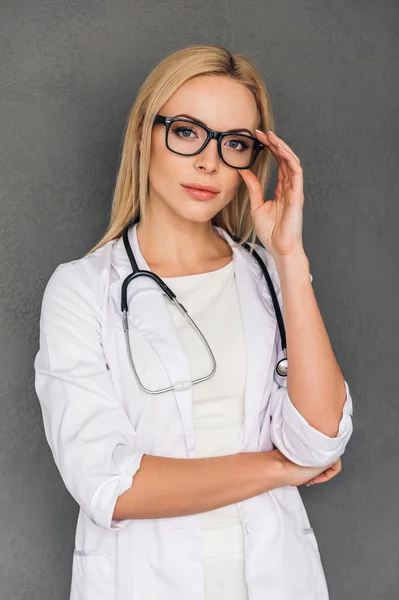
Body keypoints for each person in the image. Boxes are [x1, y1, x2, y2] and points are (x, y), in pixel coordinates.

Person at [34, 44, 354, 600]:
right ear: (144, 135)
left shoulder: (270, 278)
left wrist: (290, 256)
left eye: (234, 143)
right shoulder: (83, 290)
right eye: (186, 132)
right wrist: (280, 470)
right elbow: (112, 484)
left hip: (275, 580)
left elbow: (320, 438)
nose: (209, 161)